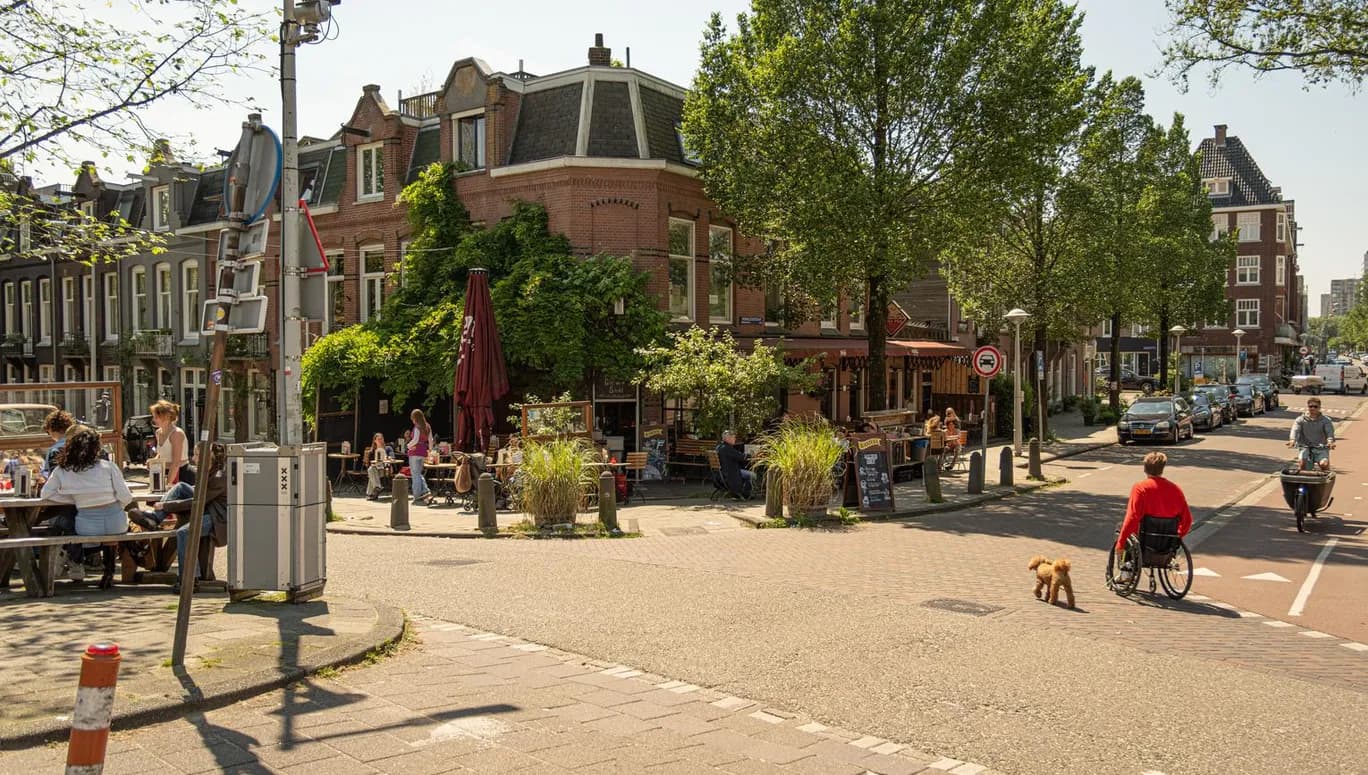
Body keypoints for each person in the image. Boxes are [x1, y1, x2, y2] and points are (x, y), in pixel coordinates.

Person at [40, 427, 133, 581]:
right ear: (97, 447)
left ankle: (71, 559)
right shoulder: (108, 467)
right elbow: (126, 497)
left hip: (86, 528)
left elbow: (46, 494)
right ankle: (107, 569)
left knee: (64, 523)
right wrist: (115, 505)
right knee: (112, 528)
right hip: (117, 524)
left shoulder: (62, 470)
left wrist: (73, 498)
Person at [159, 444, 228, 590]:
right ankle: (154, 518)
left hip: (217, 518)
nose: (193, 458)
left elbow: (198, 501)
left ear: (207, 457)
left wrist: (166, 506)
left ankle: (189, 579)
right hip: (208, 509)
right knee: (180, 487)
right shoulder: (207, 471)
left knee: (184, 532)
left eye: (196, 455)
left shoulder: (218, 477)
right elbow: (198, 493)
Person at [1115, 452, 1193, 567]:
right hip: (1167, 542)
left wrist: (1120, 543)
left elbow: (1132, 517)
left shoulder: (1140, 488)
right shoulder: (1176, 490)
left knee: (1121, 528)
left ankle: (1126, 572)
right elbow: (1187, 520)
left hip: (1144, 541)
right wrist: (1176, 538)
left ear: (1145, 469)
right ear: (1162, 468)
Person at [149, 399, 194, 487]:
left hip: (181, 474)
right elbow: (161, 454)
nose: (154, 420)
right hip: (165, 472)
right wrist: (154, 461)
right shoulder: (158, 432)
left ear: (166, 417)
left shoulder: (176, 434)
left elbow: (176, 463)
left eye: (156, 417)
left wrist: (167, 484)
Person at [1287, 397, 1335, 472]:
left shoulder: (1326, 420)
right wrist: (1292, 440)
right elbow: (1295, 430)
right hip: (1305, 447)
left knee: (1324, 464)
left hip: (1321, 447)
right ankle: (1303, 482)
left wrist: (1330, 441)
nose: (1312, 408)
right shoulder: (1301, 419)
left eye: (1315, 406)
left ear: (1319, 407)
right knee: (1302, 464)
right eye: (1310, 406)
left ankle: (1325, 481)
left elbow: (1329, 432)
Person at [714, 430, 754, 499]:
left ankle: (741, 493)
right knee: (753, 475)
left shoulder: (719, 447)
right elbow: (741, 456)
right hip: (730, 475)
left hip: (722, 475)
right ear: (728, 438)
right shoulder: (727, 448)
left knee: (746, 472)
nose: (735, 439)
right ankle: (745, 494)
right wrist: (753, 455)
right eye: (734, 437)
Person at [406, 408, 433, 505]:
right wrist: (430, 450)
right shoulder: (427, 426)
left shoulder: (417, 427)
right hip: (423, 451)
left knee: (415, 474)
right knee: (419, 473)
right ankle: (426, 491)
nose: (412, 420)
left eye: (413, 418)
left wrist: (408, 445)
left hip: (414, 451)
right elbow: (430, 440)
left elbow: (415, 440)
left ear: (415, 418)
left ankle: (417, 496)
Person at [40, 409, 75, 477]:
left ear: (50, 429)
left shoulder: (54, 450)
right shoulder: (80, 444)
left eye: (48, 432)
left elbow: (51, 476)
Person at [364, 433, 392, 500]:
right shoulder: (372, 451)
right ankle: (376, 488)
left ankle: (371, 492)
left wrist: (388, 457)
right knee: (371, 469)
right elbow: (369, 463)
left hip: (385, 470)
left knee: (371, 472)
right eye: (378, 439)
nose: (380, 440)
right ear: (375, 441)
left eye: (381, 439)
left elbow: (392, 457)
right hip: (376, 469)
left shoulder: (388, 448)